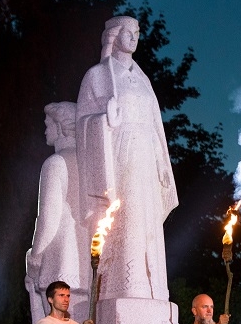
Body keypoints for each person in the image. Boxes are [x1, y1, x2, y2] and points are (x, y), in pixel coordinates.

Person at [75, 15, 178, 302]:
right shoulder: (98, 76)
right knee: (129, 216)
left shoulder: (143, 80)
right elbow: (82, 122)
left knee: (148, 222)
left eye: (137, 32)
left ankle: (151, 283)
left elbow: (156, 126)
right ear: (114, 35)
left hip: (146, 154)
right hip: (121, 156)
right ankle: (127, 283)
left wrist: (162, 163)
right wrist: (103, 120)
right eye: (128, 31)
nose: (134, 37)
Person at [25, 102, 90, 324]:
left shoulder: (55, 163)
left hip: (57, 264)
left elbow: (48, 218)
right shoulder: (89, 165)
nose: (45, 130)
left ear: (62, 127)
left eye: (49, 124)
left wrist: (35, 256)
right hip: (85, 267)